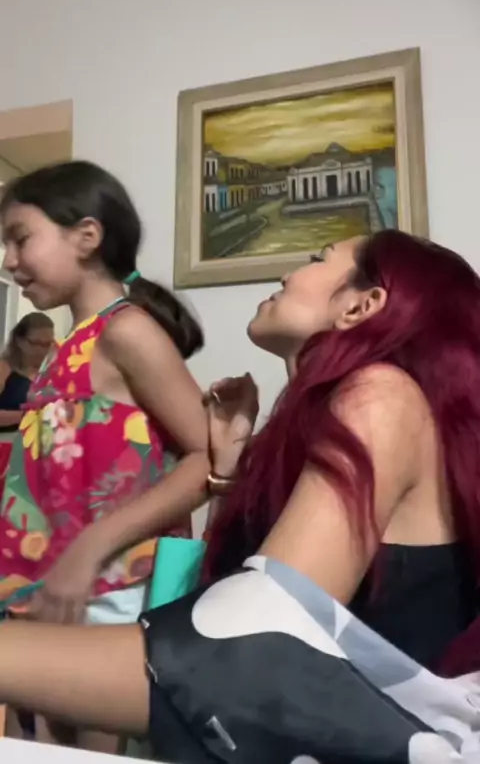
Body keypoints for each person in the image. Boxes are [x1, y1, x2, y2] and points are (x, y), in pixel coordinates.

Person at [0, 230, 480, 762]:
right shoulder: (306, 425)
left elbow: (251, 646)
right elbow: (227, 601)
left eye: (316, 258)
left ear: (360, 306)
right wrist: (230, 470)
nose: (287, 273)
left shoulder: (382, 396)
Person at [0, 161, 211, 753]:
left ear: (87, 236)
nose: (9, 260)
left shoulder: (126, 332)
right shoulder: (63, 347)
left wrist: (88, 551)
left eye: (21, 239)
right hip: (50, 588)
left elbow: (209, 459)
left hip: (107, 589)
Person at [0, 312, 53, 431]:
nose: (41, 350)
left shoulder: (50, 372)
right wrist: (28, 415)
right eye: (35, 343)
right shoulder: (4, 367)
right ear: (19, 341)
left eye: (47, 344)